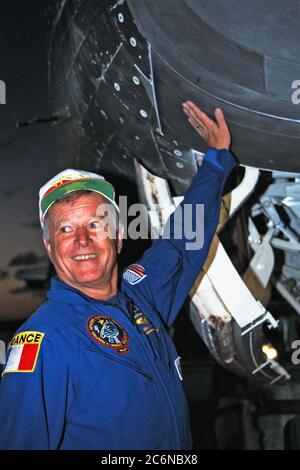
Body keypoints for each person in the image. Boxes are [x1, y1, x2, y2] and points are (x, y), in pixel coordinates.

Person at [0, 102, 236, 450]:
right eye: (65, 229)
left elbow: (183, 241)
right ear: (50, 248)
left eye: (95, 224)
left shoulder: (141, 294)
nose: (82, 240)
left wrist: (216, 162)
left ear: (119, 235)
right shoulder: (44, 341)